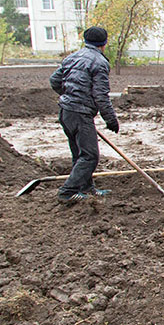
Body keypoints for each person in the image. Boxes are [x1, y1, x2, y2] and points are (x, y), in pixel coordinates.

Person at [49, 27, 118, 204]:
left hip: (66, 112)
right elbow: (101, 95)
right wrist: (111, 120)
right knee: (90, 155)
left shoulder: (71, 57)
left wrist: (68, 96)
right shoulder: (100, 63)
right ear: (104, 43)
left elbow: (55, 81)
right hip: (79, 113)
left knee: (79, 153)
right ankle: (67, 192)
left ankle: (86, 188)